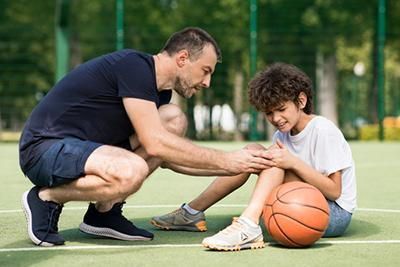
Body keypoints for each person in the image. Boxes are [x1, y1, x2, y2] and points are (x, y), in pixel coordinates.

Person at [19, 27, 275, 247]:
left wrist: (241, 166)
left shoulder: (159, 94)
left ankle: (103, 213)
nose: (207, 82)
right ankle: (46, 198)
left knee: (173, 119)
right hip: (44, 149)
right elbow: (155, 143)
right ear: (183, 58)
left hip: (84, 149)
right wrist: (228, 160)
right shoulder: (135, 67)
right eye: (205, 70)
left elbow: (167, 156)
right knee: (132, 170)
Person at [152, 62, 357, 251]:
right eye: (269, 113)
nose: (276, 118)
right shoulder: (282, 134)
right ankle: (191, 212)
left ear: (301, 101)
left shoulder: (322, 130)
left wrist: (292, 162)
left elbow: (334, 191)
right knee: (253, 152)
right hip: (301, 200)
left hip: (333, 213)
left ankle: (249, 225)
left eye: (281, 109)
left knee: (272, 161)